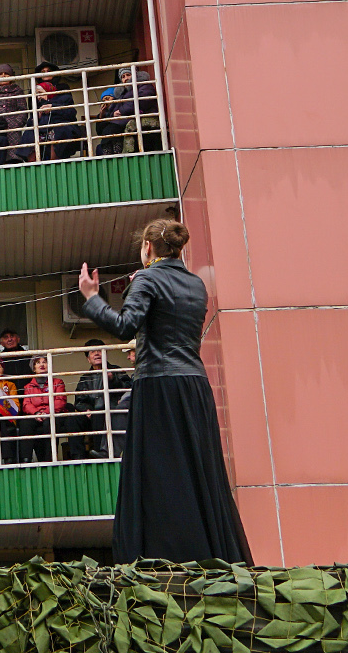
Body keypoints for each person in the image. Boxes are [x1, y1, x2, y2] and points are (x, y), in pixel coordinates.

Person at [76, 219, 251, 563]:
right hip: (194, 386)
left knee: (159, 474)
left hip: (158, 385)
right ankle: (210, 554)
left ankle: (161, 555)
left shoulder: (146, 278)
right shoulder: (196, 284)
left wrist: (92, 299)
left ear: (148, 248)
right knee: (198, 471)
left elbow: (126, 325)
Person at [69, 339, 131, 459]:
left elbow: (127, 388)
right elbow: (79, 400)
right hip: (91, 414)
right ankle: (78, 457)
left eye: (99, 350)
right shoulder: (85, 378)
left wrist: (113, 379)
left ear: (105, 354)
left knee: (100, 410)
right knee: (73, 419)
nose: (97, 353)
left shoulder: (116, 370)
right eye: (92, 352)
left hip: (111, 411)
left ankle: (101, 453)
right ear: (88, 359)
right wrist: (86, 409)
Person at [17, 355, 67, 463]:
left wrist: (46, 412)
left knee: (50, 423)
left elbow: (60, 401)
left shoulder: (58, 382)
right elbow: (26, 404)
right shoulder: (28, 386)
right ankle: (26, 459)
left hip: (52, 414)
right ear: (34, 368)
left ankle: (50, 458)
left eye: (44, 362)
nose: (42, 364)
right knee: (25, 423)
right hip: (36, 415)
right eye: (38, 362)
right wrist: (36, 413)